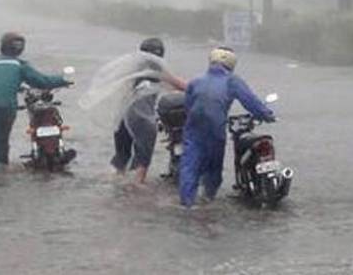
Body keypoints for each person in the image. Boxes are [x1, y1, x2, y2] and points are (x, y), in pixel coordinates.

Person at [179, 46, 274, 208]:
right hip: (215, 128)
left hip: (194, 128)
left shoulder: (195, 81)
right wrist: (267, 115)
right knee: (214, 166)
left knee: (190, 165)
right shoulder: (232, 81)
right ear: (231, 63)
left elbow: (188, 107)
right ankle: (208, 200)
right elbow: (250, 102)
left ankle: (187, 205)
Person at [0, 32, 71, 170]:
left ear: (2, 46)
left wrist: (10, 88)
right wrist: (63, 80)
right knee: (3, 139)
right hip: (8, 106)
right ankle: (1, 167)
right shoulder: (20, 65)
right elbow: (42, 81)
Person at [112, 37, 188, 182]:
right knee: (143, 156)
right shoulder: (156, 70)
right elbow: (180, 85)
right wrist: (200, 88)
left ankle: (118, 183)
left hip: (122, 116)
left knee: (122, 156)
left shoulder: (133, 69)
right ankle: (138, 185)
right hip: (141, 117)